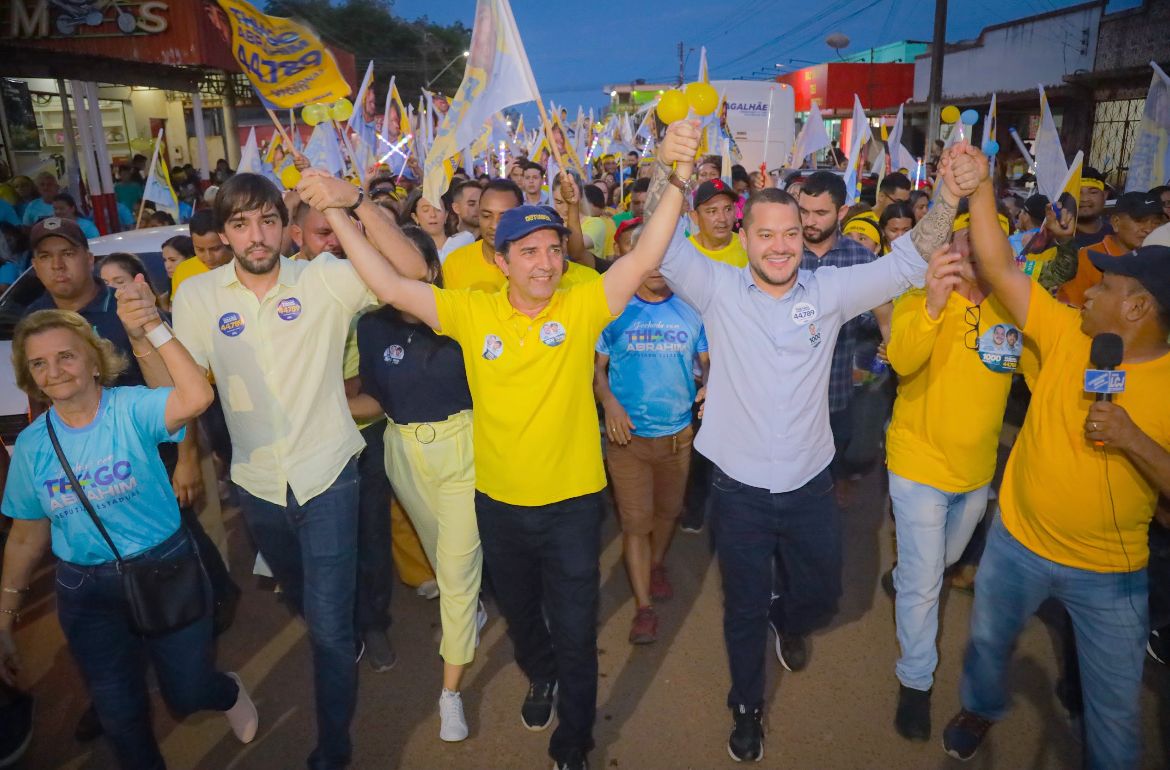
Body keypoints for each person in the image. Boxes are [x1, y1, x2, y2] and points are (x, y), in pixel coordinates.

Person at [295, 120, 700, 770]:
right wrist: (340, 213)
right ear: (503, 260)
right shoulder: (473, 311)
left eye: (552, 250)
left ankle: (575, 742)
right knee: (519, 613)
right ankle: (539, 675)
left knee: (575, 628)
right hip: (499, 504)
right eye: (529, 252)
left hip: (571, 505)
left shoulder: (583, 305)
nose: (544, 263)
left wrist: (676, 177)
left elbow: (646, 253)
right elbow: (391, 287)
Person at [640, 142, 975, 761]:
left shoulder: (829, 291)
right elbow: (655, 244)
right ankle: (746, 706)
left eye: (790, 233)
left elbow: (908, 261)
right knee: (739, 609)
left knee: (819, 597)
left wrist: (951, 195)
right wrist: (670, 168)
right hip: (738, 492)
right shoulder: (714, 287)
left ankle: (786, 615)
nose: (779, 246)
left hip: (809, 489)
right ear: (743, 237)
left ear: (804, 235)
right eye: (765, 234)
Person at [172, 172, 426, 770]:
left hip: (330, 476)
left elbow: (411, 273)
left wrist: (350, 204)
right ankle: (342, 629)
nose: (255, 236)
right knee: (308, 603)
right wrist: (144, 335)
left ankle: (332, 748)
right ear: (225, 232)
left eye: (266, 221)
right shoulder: (197, 296)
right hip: (257, 485)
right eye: (240, 224)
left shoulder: (325, 280)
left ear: (286, 228)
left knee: (330, 630)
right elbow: (180, 393)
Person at [940, 143, 1170, 769]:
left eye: (1107, 285)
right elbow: (997, 262)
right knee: (987, 647)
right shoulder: (1068, 330)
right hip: (1017, 543)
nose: (1088, 291)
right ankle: (981, 707)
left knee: (1115, 715)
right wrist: (980, 187)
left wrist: (1133, 440)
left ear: (1140, 307)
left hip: (1112, 577)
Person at [0, 297, 258, 769]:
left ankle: (225, 691)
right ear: (28, 375)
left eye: (66, 355)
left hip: (164, 569)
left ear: (94, 361)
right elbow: (24, 535)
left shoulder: (131, 408)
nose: (54, 370)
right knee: (120, 714)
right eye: (39, 363)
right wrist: (4, 618)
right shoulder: (34, 445)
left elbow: (196, 397)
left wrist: (152, 327)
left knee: (189, 689)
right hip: (85, 591)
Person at [883, 227, 1027, 742]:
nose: (970, 256)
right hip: (917, 466)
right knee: (925, 583)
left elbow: (1044, 372)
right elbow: (900, 360)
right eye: (962, 245)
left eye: (984, 248)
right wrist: (934, 306)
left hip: (976, 476)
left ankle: (904, 579)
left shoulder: (1014, 314)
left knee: (940, 563)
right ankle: (915, 682)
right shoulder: (916, 300)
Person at [348, 225, 482, 742]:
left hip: (465, 449)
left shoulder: (460, 314)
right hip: (403, 453)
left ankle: (450, 693)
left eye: (400, 261)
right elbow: (376, 400)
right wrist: (323, 404)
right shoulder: (371, 327)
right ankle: (470, 603)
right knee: (441, 552)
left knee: (453, 570)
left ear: (427, 266)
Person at [595, 221, 709, 644]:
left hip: (679, 437)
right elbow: (598, 370)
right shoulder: (615, 309)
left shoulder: (691, 309)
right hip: (628, 441)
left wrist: (710, 381)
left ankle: (657, 564)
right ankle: (643, 608)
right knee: (635, 523)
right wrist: (609, 403)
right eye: (647, 254)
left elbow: (708, 361)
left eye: (663, 255)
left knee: (668, 513)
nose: (656, 265)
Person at [797, 171, 892, 469]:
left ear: (841, 212)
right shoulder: (784, 252)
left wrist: (893, 345)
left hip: (836, 395)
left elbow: (886, 315)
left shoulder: (861, 261)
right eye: (803, 211)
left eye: (820, 213)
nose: (809, 221)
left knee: (830, 479)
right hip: (787, 398)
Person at [1053, 191, 1165, 307]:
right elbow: (1070, 309)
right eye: (1140, 221)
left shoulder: (1161, 260)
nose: (1148, 229)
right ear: (1115, 222)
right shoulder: (1088, 257)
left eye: (1156, 223)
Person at [170, 210, 233, 299]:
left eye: (215, 249)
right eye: (200, 250)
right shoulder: (183, 271)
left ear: (228, 240)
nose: (208, 257)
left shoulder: (245, 267)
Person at [688, 179, 747, 268]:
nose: (722, 219)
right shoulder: (685, 251)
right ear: (695, 217)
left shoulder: (747, 247)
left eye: (728, 209)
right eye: (712, 211)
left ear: (735, 211)